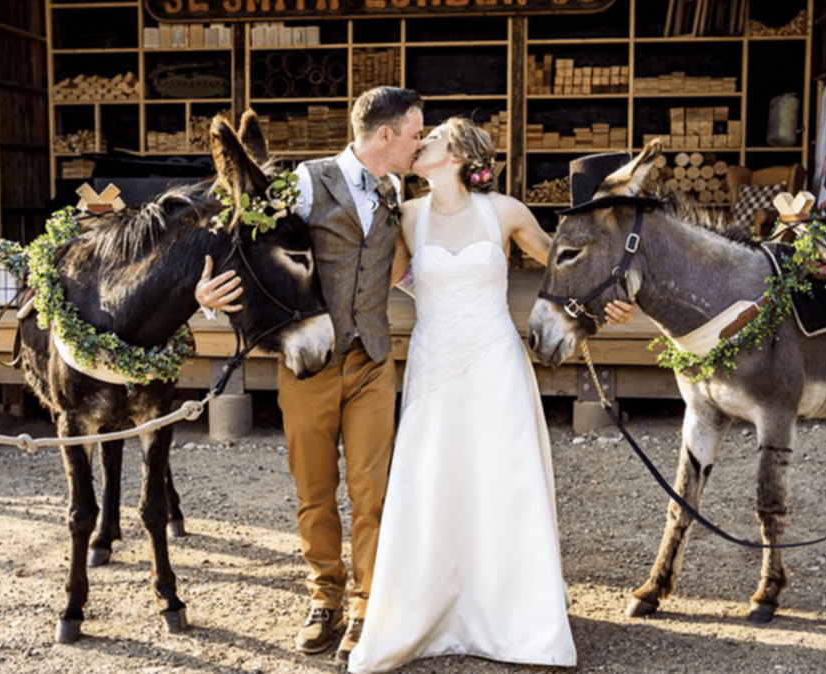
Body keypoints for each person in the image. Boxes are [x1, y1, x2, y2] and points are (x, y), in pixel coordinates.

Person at [346, 118, 633, 673]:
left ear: (455, 153)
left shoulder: (504, 211)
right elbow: (378, 281)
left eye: (428, 139)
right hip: (434, 367)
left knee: (503, 481)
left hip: (495, 361)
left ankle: (517, 618)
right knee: (433, 481)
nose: (418, 143)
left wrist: (608, 299)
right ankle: (424, 613)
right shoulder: (406, 217)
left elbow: (566, 266)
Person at [196, 86, 425, 665]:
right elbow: (246, 246)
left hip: (373, 359)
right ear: (384, 136)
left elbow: (401, 269)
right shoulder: (304, 182)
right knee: (314, 490)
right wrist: (206, 297)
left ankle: (367, 604)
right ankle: (324, 596)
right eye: (415, 134)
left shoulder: (397, 190)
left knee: (372, 491)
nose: (419, 144)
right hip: (309, 364)